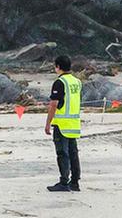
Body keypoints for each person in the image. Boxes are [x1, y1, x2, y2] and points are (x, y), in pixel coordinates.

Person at [44, 54, 83, 192]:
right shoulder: (77, 82)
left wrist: (48, 123)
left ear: (58, 67)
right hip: (74, 123)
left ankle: (64, 182)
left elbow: (54, 104)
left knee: (62, 153)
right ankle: (75, 182)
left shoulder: (60, 82)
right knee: (73, 153)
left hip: (62, 124)